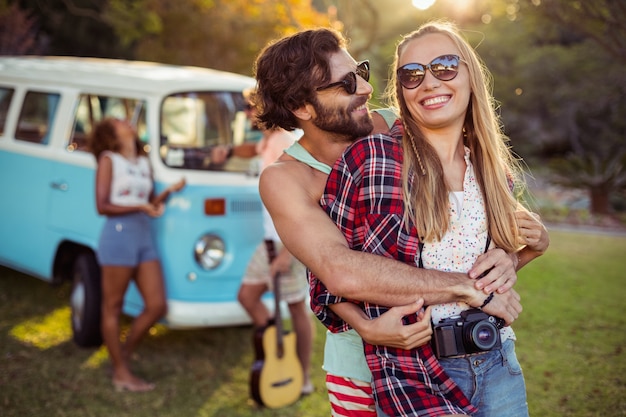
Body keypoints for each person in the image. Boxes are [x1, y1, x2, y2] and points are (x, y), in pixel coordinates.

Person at [254, 27, 548, 416]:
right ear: (302, 107)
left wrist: (512, 255)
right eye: (345, 83)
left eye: (360, 71)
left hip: (459, 350)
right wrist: (365, 325)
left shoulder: (401, 125)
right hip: (362, 369)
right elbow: (339, 269)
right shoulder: (286, 179)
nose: (364, 88)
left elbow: (476, 217)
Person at [90, 117, 185, 392]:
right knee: (113, 306)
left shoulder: (144, 163)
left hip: (143, 236)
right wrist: (142, 208)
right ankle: (121, 372)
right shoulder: (109, 159)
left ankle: (123, 355)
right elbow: (102, 205)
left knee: (156, 305)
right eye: (119, 121)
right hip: (118, 236)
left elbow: (150, 203)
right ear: (111, 133)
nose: (126, 122)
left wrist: (167, 192)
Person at [235, 97, 315, 395]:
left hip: (287, 240)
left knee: (296, 308)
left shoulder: (284, 141)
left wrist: (286, 253)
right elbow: (251, 151)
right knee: (247, 295)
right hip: (269, 238)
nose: (246, 114)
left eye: (249, 108)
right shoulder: (268, 140)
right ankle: (275, 347)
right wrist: (225, 152)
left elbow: (304, 202)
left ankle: (303, 377)